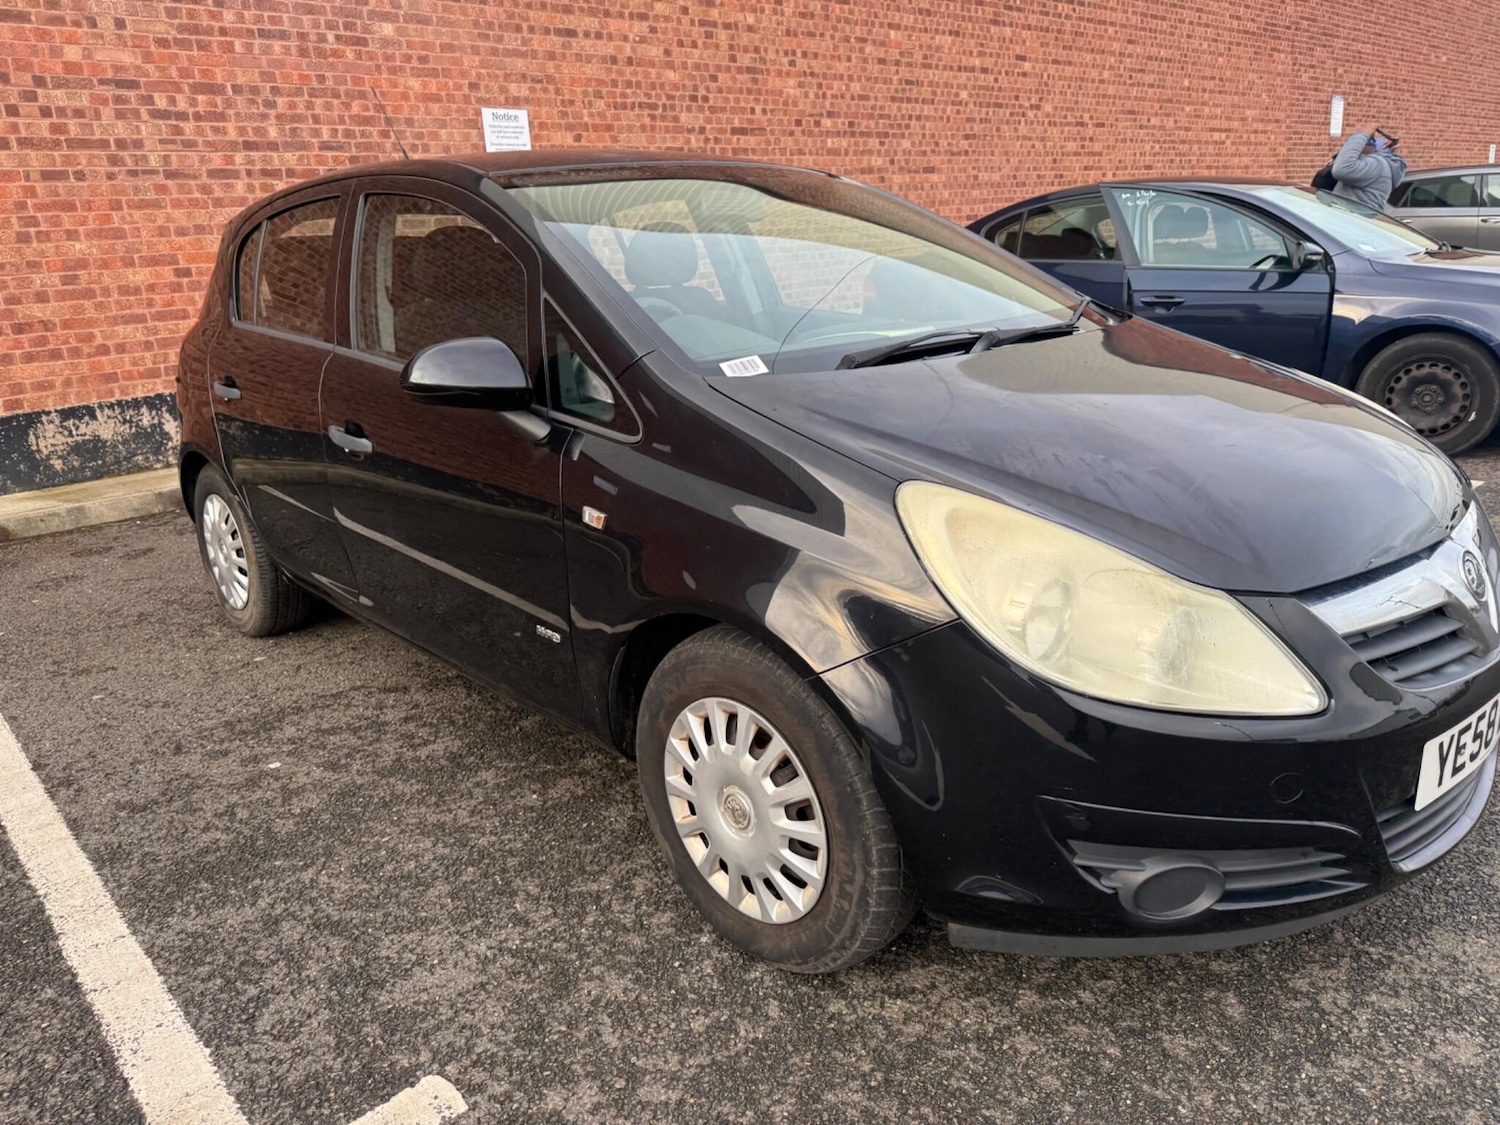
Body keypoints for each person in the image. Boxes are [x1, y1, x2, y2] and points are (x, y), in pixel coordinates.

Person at [1329, 125, 1407, 211]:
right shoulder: (1377, 164)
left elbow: (1341, 169)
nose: (1354, 150)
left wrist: (1362, 135)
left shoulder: (1377, 165)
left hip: (1355, 221)